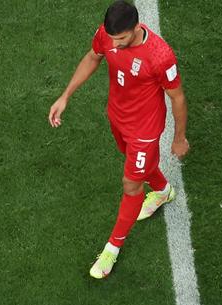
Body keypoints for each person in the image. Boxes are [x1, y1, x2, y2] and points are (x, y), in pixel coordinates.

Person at [47, 0, 189, 279]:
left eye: (121, 39)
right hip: (117, 116)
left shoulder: (160, 55)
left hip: (144, 131)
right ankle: (163, 191)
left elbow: (178, 97)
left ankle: (112, 247)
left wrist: (179, 138)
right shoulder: (108, 35)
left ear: (136, 28)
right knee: (136, 168)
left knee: (131, 184)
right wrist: (65, 96)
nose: (114, 44)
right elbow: (92, 57)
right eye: (111, 38)